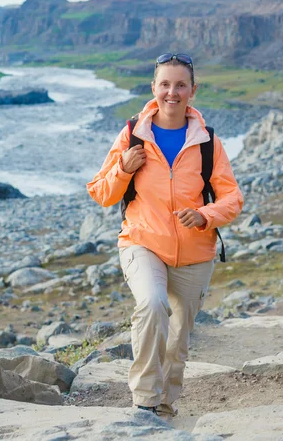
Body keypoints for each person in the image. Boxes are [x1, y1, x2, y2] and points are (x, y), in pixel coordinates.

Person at [87, 53, 244, 416]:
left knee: (179, 339)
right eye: (165, 84)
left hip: (195, 252)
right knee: (152, 304)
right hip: (143, 242)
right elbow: (100, 192)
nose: (172, 92)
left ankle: (165, 402)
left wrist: (204, 215)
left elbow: (232, 197)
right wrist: (123, 171)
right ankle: (144, 400)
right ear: (153, 87)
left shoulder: (207, 141)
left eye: (180, 85)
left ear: (192, 90)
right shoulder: (132, 135)